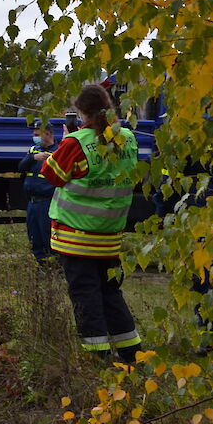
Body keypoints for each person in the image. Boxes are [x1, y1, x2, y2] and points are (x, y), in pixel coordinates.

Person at [41, 83, 142, 363]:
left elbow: (52, 175)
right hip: (110, 237)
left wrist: (68, 139)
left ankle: (97, 359)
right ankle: (132, 353)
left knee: (86, 295)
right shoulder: (128, 139)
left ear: (81, 112)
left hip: (77, 237)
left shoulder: (76, 142)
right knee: (111, 293)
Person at [19, 119, 57, 265]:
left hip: (47, 202)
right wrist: (33, 158)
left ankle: (54, 269)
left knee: (48, 236)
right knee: (34, 237)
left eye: (37, 134)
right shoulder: (34, 150)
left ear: (48, 134)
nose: (34, 137)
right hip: (32, 202)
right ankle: (41, 266)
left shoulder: (57, 151)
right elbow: (21, 167)